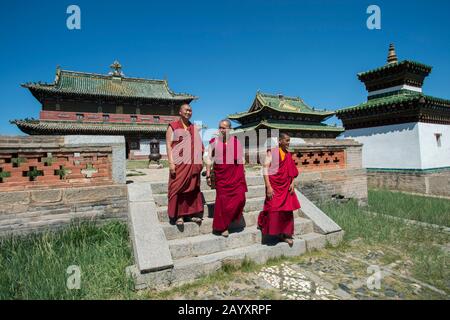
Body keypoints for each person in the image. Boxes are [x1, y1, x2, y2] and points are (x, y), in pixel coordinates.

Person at [205, 119, 247, 237]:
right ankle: (222, 227)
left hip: (236, 175)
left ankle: (232, 217)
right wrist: (208, 174)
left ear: (230, 129)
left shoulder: (236, 142)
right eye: (220, 127)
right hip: (222, 176)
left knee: (240, 198)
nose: (222, 130)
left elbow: (241, 158)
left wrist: (243, 171)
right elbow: (208, 158)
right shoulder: (214, 141)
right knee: (223, 202)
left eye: (224, 128)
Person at [257, 132, 300, 246]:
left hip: (286, 187)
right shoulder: (272, 152)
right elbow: (265, 169)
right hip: (274, 186)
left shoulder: (288, 154)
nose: (288, 143)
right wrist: (268, 187)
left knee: (287, 211)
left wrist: (292, 183)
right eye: (286, 140)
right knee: (273, 209)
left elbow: (292, 171)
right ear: (280, 141)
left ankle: (286, 234)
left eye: (289, 140)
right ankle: (263, 222)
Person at [166, 103, 204, 226]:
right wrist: (171, 163)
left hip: (193, 164)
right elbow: (168, 145)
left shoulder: (194, 128)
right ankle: (179, 216)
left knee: (192, 188)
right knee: (178, 188)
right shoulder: (173, 126)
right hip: (179, 164)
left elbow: (199, 146)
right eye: (186, 110)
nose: (189, 112)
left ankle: (191, 214)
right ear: (180, 112)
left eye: (190, 110)